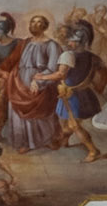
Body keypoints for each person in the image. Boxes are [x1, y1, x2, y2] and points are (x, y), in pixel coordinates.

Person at [39, 19, 103, 161]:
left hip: (72, 95)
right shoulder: (93, 57)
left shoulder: (68, 55)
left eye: (71, 41)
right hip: (84, 94)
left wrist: (42, 77)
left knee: (74, 125)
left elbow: (60, 75)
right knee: (67, 123)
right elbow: (105, 75)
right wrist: (98, 87)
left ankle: (93, 151)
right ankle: (64, 141)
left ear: (78, 42)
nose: (68, 42)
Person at [1, 14, 61, 152]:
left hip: (41, 81)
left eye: (38, 22)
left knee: (40, 111)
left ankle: (47, 139)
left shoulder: (51, 45)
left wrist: (38, 81)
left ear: (44, 26)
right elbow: (12, 61)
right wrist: (2, 75)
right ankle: (25, 142)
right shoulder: (25, 42)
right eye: (32, 22)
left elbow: (53, 68)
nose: (34, 24)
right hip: (19, 81)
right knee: (19, 112)